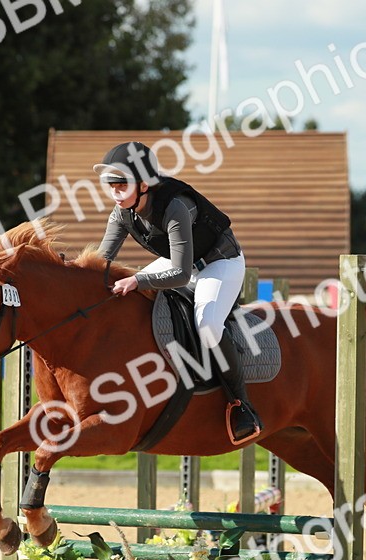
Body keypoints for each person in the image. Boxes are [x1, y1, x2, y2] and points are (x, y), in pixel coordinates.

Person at [94, 141, 262, 445]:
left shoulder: (175, 207)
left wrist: (138, 281)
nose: (114, 192)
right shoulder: (121, 214)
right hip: (180, 260)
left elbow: (182, 275)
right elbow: (100, 263)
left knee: (208, 326)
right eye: (110, 185)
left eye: (121, 185)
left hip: (219, 262)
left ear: (144, 184)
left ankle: (242, 405)